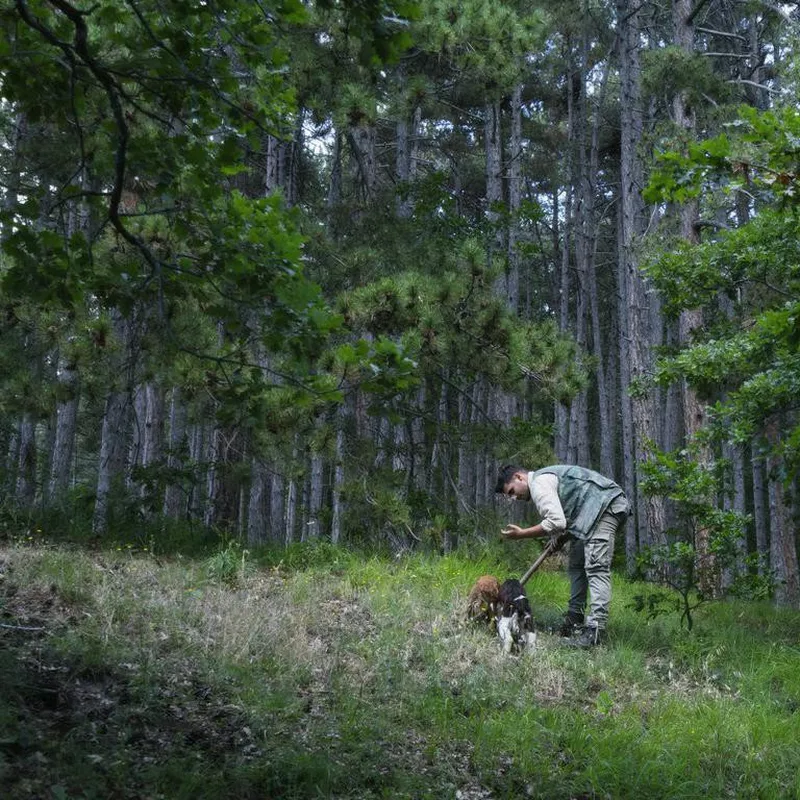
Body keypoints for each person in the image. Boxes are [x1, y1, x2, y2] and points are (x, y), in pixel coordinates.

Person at [495, 464, 630, 647]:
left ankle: (594, 632)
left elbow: (556, 522)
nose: (514, 497)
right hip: (589, 514)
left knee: (596, 567)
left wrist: (522, 534)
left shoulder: (539, 484)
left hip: (606, 506)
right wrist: (558, 540)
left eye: (511, 491)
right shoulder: (543, 481)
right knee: (576, 564)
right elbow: (566, 518)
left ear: (519, 477)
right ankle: (574, 621)